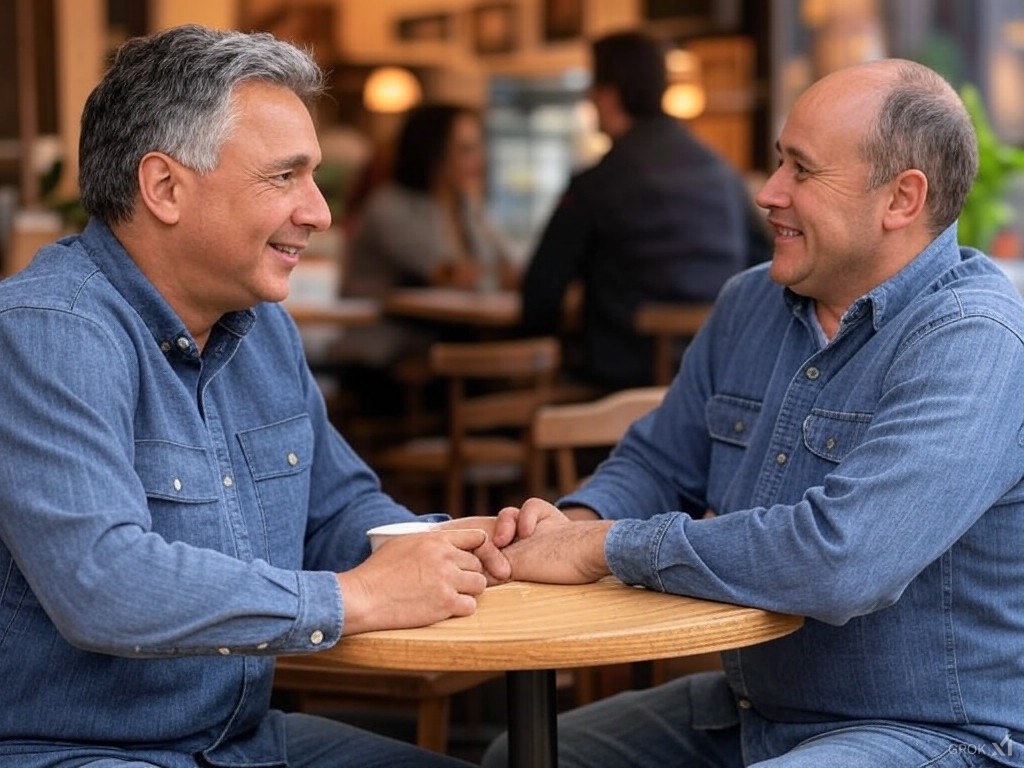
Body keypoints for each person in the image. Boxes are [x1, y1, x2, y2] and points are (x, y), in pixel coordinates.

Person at [0, 24, 527, 768]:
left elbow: (342, 511)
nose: (320, 212)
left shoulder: (261, 329)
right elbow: (103, 583)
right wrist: (359, 599)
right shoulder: (46, 332)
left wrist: (469, 544)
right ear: (165, 188)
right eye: (285, 177)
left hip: (240, 744)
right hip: (73, 751)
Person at [485, 58, 1024, 767]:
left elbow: (844, 560)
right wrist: (569, 524)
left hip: (937, 732)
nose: (768, 192)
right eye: (778, 162)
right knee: (521, 757)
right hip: (756, 709)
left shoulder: (974, 338)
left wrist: (602, 546)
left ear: (901, 199)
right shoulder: (749, 302)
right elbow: (657, 461)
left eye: (801, 171)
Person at [519, 30, 767, 391]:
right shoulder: (721, 171)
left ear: (607, 96)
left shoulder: (599, 181)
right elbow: (763, 265)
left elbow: (541, 292)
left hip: (623, 386)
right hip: (717, 376)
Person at [344, 102, 519, 300]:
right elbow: (451, 276)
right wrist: (496, 275)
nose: (479, 160)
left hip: (452, 326)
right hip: (392, 329)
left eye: (479, 148)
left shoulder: (466, 207)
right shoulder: (390, 207)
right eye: (466, 150)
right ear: (431, 152)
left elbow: (511, 269)